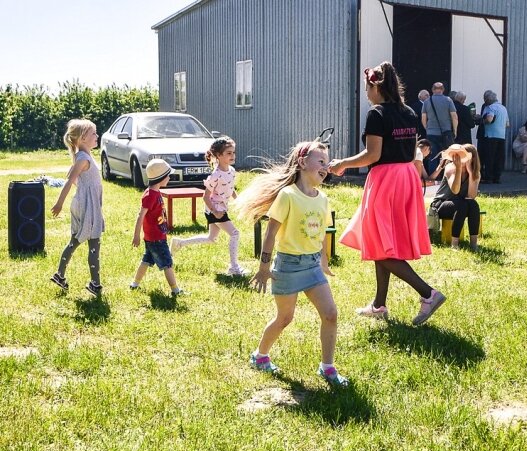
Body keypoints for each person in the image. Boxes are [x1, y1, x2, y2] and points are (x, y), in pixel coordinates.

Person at [329, 61, 446, 326]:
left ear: (375, 87)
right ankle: (379, 304)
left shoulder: (376, 114)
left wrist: (342, 164)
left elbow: (373, 155)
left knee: (379, 244)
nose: (366, 94)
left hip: (386, 180)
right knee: (383, 242)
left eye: (367, 88)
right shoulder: (408, 112)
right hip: (407, 178)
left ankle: (428, 294)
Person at [234, 141, 348, 387]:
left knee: (331, 314)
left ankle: (327, 367)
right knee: (285, 318)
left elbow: (322, 234)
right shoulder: (288, 196)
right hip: (288, 265)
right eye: (321, 162)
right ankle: (260, 355)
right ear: (302, 162)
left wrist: (324, 261)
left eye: (327, 163)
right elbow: (270, 233)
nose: (326, 167)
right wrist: (264, 267)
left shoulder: (323, 198)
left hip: (312, 265)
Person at [170, 137, 249, 276]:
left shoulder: (231, 170)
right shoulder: (215, 175)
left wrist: (238, 200)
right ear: (218, 156)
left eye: (233, 152)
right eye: (228, 153)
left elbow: (231, 188)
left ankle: (179, 243)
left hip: (221, 209)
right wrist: (215, 212)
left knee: (211, 239)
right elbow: (205, 197)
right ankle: (234, 268)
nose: (233, 155)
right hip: (214, 210)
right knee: (235, 233)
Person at [50, 119, 105, 297]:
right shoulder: (83, 158)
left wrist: (82, 188)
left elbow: (73, 177)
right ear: (82, 139)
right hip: (87, 205)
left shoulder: (83, 157)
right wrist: (59, 203)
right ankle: (95, 284)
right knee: (93, 242)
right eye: (93, 134)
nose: (97, 136)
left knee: (76, 241)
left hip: (88, 203)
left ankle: (60, 275)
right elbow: (69, 180)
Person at [130, 159, 185, 297]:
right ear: (161, 178)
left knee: (146, 260)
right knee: (167, 263)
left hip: (154, 237)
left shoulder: (155, 192)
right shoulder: (150, 195)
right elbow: (140, 216)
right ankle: (175, 290)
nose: (169, 178)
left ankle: (135, 284)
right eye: (168, 175)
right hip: (156, 238)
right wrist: (136, 235)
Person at [429, 144, 481, 250]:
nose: (461, 159)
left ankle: (474, 244)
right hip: (441, 204)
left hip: (459, 203)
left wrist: (471, 174)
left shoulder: (475, 172)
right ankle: (454, 244)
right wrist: (458, 170)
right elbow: (455, 190)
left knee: (473, 204)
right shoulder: (450, 168)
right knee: (461, 205)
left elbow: (471, 196)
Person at [421, 82, 458, 175]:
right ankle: (447, 176)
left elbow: (423, 118)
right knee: (447, 156)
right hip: (446, 132)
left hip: (431, 133)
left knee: (432, 157)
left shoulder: (427, 101)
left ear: (432, 90)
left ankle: (433, 178)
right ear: (443, 90)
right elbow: (454, 117)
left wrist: (427, 128)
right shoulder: (448, 100)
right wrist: (455, 130)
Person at [481, 90, 510, 184]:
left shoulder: (491, 107)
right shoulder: (503, 108)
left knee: (489, 157)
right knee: (498, 158)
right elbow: (507, 124)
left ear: (488, 99)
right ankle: (497, 177)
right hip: (501, 135)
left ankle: (488, 177)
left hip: (491, 135)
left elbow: (489, 119)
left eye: (485, 99)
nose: (485, 101)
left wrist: (482, 121)